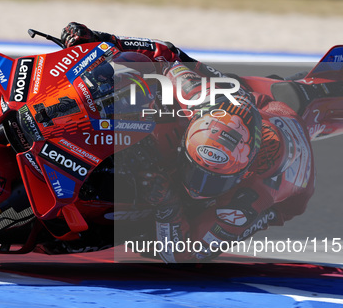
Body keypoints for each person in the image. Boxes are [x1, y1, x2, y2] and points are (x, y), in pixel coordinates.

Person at [60, 22, 316, 262]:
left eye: (214, 179)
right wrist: (100, 41)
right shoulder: (198, 95)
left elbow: (185, 253)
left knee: (148, 245)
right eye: (194, 169)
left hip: (288, 191)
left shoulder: (250, 199)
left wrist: (167, 206)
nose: (197, 186)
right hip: (259, 105)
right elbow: (166, 54)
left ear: (245, 172)